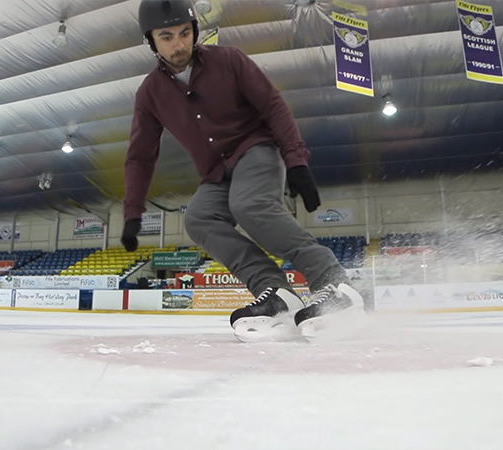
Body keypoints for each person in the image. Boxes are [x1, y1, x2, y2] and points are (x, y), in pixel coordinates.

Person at [121, 0, 365, 341]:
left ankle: (334, 282)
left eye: (185, 33)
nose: (179, 44)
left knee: (248, 204)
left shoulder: (228, 60)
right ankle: (276, 294)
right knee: (199, 219)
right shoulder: (150, 93)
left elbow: (273, 105)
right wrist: (133, 211)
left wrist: (295, 161)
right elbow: (140, 156)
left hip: (256, 150)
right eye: (167, 37)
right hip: (215, 173)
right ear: (151, 41)